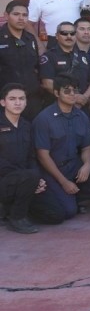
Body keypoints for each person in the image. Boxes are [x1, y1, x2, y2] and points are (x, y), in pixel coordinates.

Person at [31, 75, 90, 223]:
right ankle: (65, 198)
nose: (72, 94)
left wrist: (87, 165)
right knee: (68, 212)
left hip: (73, 166)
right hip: (53, 170)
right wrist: (63, 182)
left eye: (74, 90)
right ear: (56, 93)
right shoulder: (44, 118)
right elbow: (43, 155)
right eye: (67, 91)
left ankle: (72, 197)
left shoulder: (81, 116)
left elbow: (86, 147)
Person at [0, 83, 45, 234]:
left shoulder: (27, 126)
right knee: (29, 175)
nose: (17, 102)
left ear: (26, 102)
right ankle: (17, 217)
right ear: (3, 102)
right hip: (4, 180)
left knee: (55, 214)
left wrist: (37, 179)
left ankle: (8, 209)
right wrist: (30, 176)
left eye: (21, 99)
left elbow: (31, 157)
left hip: (23, 180)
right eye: (12, 99)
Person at [40, 21, 90, 114]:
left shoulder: (84, 56)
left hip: (81, 108)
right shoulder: (49, 56)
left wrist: (84, 98)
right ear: (57, 36)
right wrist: (73, 98)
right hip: (58, 108)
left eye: (72, 33)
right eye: (64, 33)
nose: (69, 36)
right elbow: (47, 84)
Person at [0, 2, 42, 119]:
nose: (21, 18)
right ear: (6, 16)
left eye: (24, 15)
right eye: (16, 14)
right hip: (7, 100)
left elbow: (36, 67)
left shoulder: (30, 39)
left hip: (32, 99)